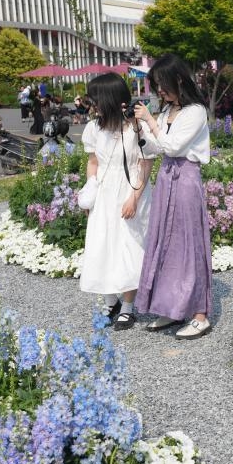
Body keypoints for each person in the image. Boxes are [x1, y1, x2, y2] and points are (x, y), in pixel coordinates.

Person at [133, 54, 213, 339]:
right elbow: (157, 148)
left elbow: (176, 146)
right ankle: (171, 308)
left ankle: (200, 314)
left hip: (186, 177)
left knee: (189, 242)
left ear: (179, 79)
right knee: (164, 241)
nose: (160, 92)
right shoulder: (167, 113)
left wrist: (151, 124)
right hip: (166, 176)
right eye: (156, 87)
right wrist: (142, 128)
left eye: (162, 85)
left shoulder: (195, 111)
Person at [78, 74, 152, 331]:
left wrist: (134, 198)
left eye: (95, 98)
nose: (92, 104)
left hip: (129, 190)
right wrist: (91, 192)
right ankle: (111, 302)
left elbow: (145, 164)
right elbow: (93, 162)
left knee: (129, 247)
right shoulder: (93, 128)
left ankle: (129, 307)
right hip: (104, 192)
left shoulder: (134, 127)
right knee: (102, 246)